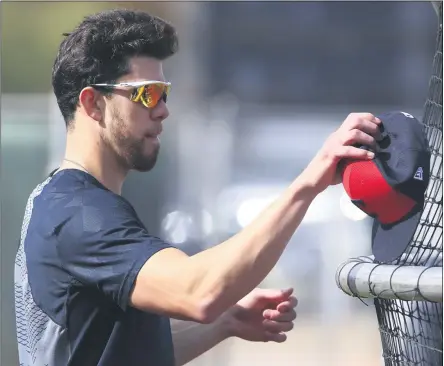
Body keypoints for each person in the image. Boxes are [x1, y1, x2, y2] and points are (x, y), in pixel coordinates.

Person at [14, 8, 381, 366]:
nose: (162, 111)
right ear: (93, 104)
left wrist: (225, 323)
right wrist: (308, 183)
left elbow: (126, 352)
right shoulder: (80, 215)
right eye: (147, 94)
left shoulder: (64, 203)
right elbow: (199, 292)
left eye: (164, 94)